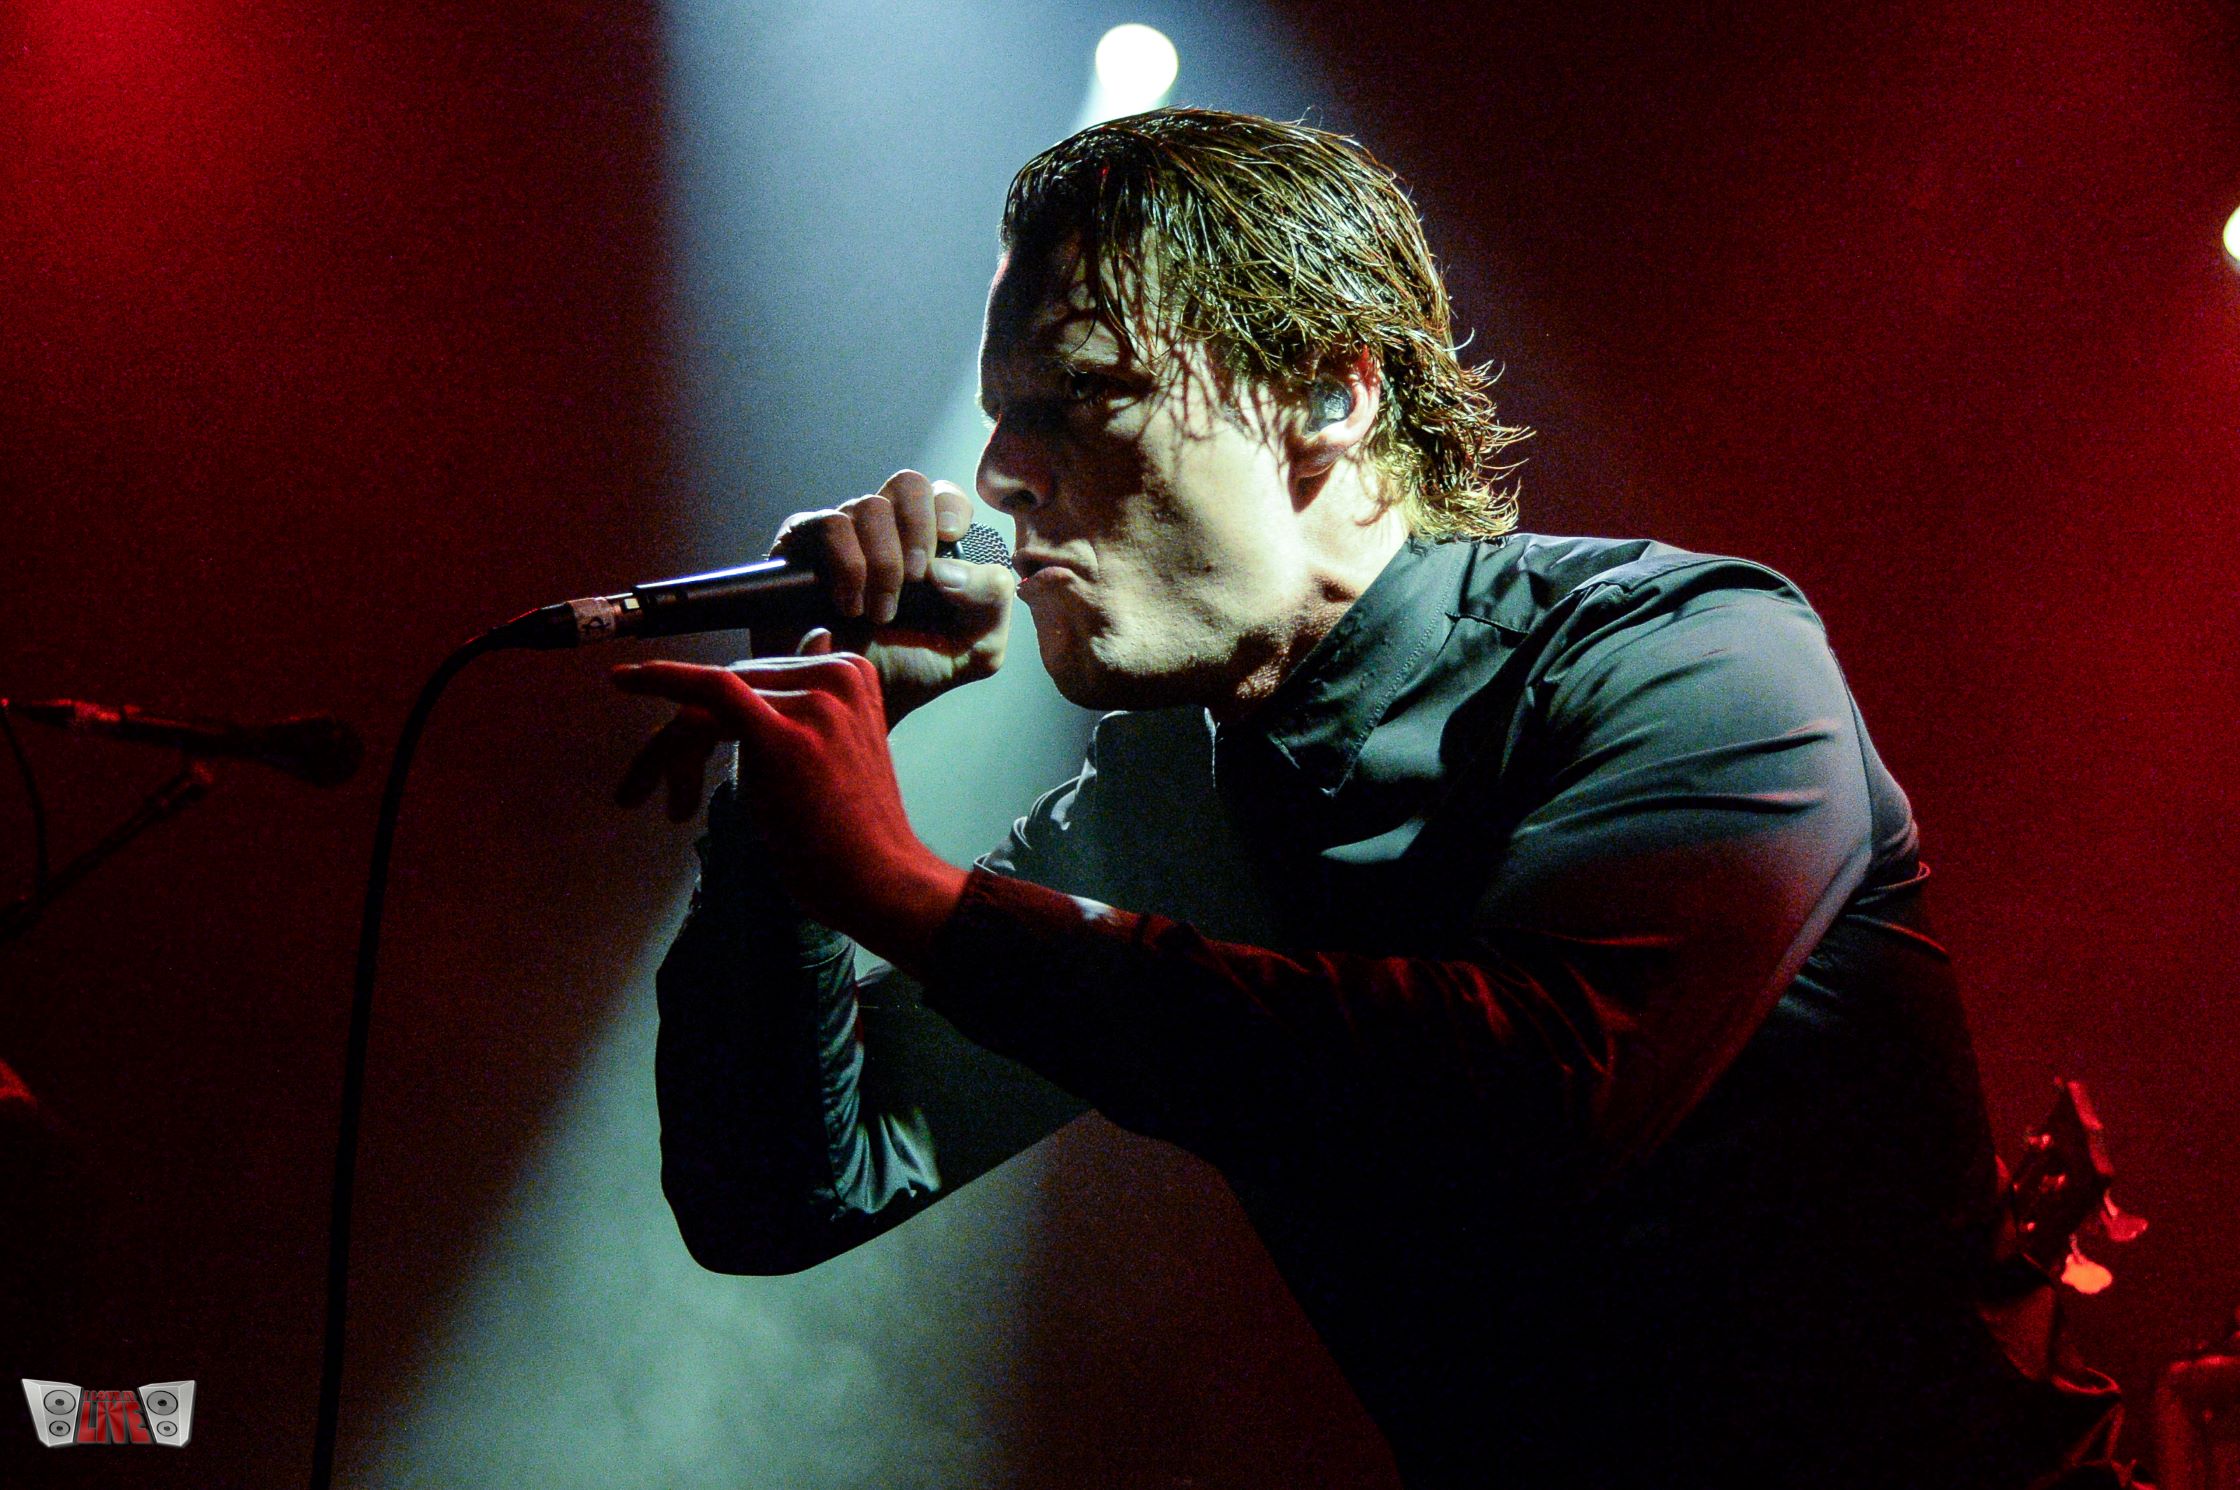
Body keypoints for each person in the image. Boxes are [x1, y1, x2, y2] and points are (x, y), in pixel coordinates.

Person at [613, 109, 2118, 1488]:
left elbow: (1535, 1102)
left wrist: (908, 894)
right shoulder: (1171, 800)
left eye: (1081, 399)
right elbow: (777, 1198)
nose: (998, 475)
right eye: (1000, 416)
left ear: (1326, 396)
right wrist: (783, 816)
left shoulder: (1691, 655)